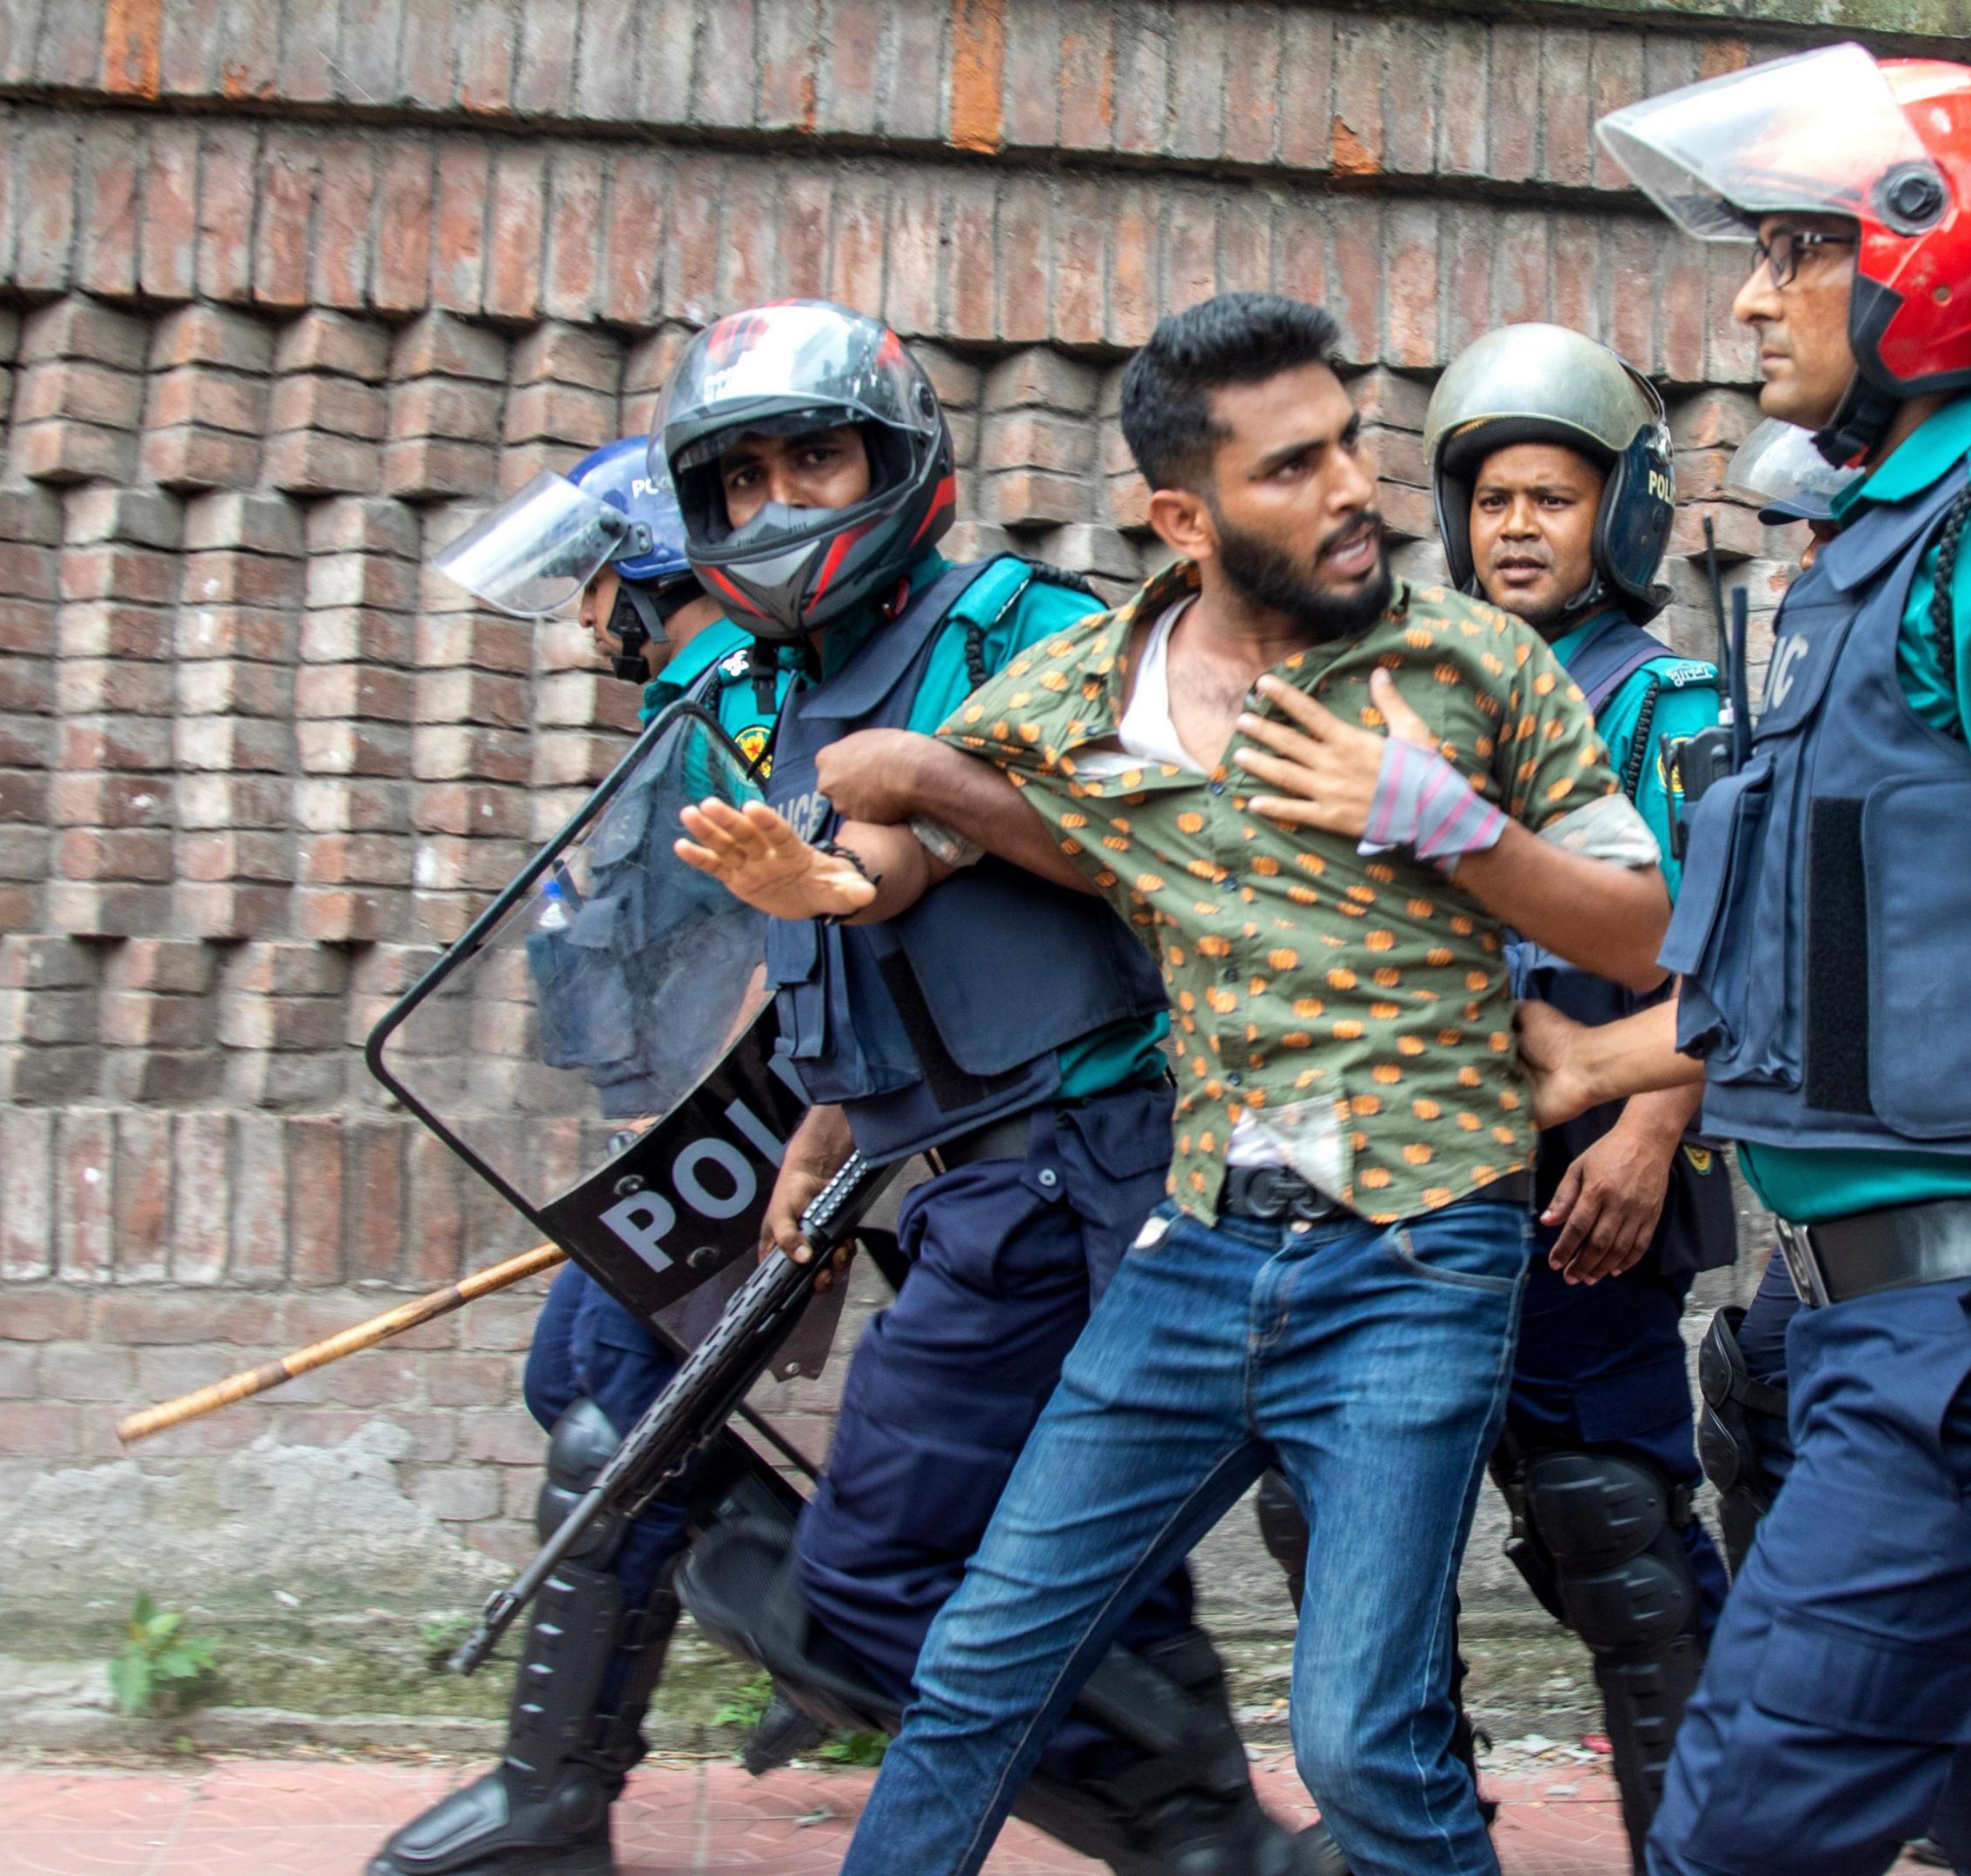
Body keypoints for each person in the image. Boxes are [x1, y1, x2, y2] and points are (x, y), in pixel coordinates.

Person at [671, 292, 1677, 1876]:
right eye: (1295, 468)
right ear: (1181, 517)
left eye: (1352, 444)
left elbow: (1647, 925)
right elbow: (937, 833)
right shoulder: (1087, 686)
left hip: (1419, 1249)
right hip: (1198, 1249)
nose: (1354, 489)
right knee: (978, 1675)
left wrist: (1437, 816)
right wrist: (831, 883)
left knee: (1361, 1737)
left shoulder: (1471, 668)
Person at [1515, 45, 1971, 1874]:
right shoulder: (1878, 545)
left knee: (1741, 1842)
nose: (1755, 295)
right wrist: (1615, 1062)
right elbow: (1858, 949)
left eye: (1800, 249)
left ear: (1940, 262)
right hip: (1894, 1323)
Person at [631, 297, 1310, 1876]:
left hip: (1111, 1147)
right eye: (739, 480)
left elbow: (1180, 850)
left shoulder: (1028, 629)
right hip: (962, 1171)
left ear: (898, 458)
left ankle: (1204, 1826)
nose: (779, 503)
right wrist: (815, 1135)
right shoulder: (745, 699)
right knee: (1095, 1546)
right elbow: (849, 959)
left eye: (815, 456)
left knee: (868, 1573)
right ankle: (1216, 1835)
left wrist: (928, 805)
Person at [1267, 321, 1739, 1861]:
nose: (1516, 527)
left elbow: (1737, 953)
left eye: (1552, 496)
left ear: (1627, 512)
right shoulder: (1416, 692)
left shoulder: (1669, 710)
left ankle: (1714, 1845)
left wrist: (1653, 1131)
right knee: (1337, 1519)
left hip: (1589, 1191)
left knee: (1611, 1528)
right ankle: (1410, 1824)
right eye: (1491, 500)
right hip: (1408, 1190)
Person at [374, 436, 783, 1876]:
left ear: (657, 570)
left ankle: (554, 1801)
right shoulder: (696, 703)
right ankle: (819, 1643)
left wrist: (702, 1152)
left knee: (614, 1416)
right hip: (676, 1146)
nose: (585, 608)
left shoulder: (741, 704)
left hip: (725, 1150)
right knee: (581, 1388)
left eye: (598, 576)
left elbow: (774, 952)